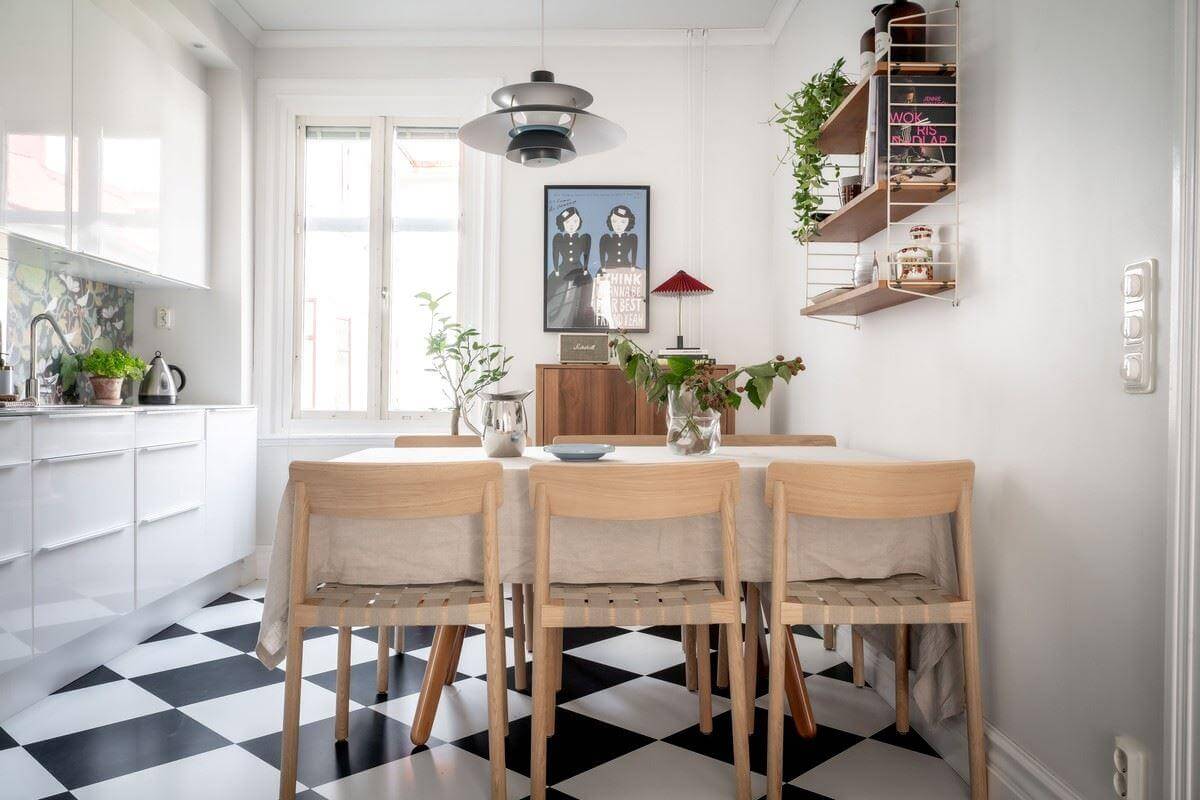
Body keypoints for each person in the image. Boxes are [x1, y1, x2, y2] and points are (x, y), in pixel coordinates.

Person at [546, 207, 597, 329]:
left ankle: (580, 318)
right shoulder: (558, 238)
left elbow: (586, 255)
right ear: (562, 224)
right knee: (553, 290)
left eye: (575, 221)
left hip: (579, 270)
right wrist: (557, 270)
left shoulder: (584, 238)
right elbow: (555, 254)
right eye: (568, 222)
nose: (572, 225)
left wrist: (585, 269)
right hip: (563, 269)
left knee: (584, 291)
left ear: (579, 222)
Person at [598, 205, 638, 270]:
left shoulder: (632, 238)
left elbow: (634, 254)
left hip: (626, 267)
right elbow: (602, 255)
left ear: (629, 222)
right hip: (609, 268)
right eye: (614, 221)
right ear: (610, 221)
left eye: (623, 222)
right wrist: (603, 268)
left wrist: (633, 267)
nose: (618, 225)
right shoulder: (606, 238)